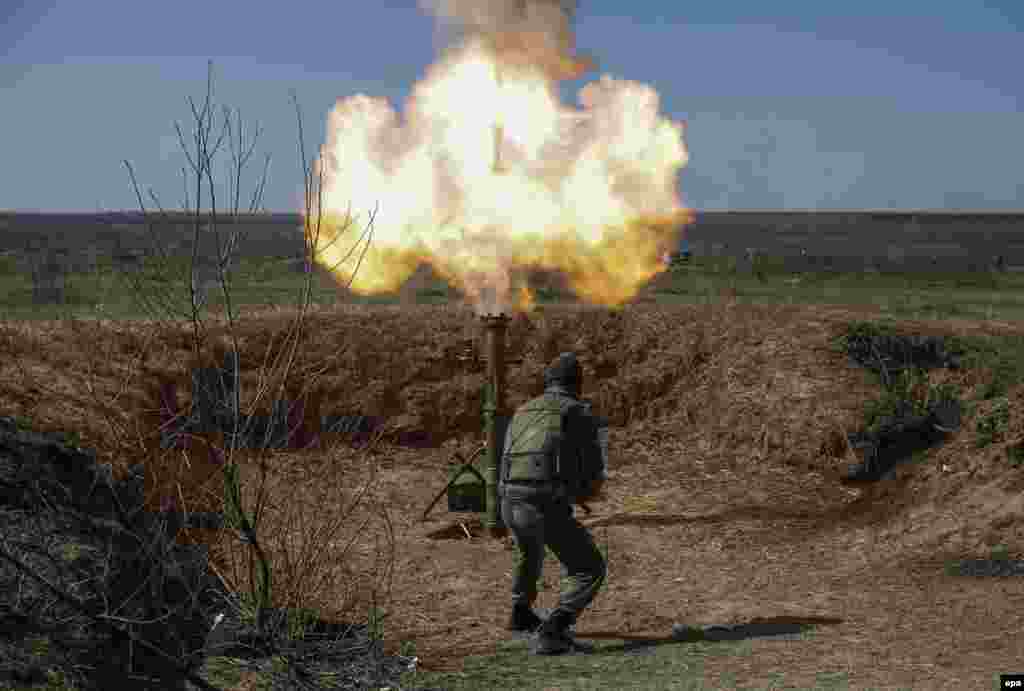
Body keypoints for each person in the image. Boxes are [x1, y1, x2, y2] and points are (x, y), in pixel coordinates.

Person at [499, 352, 608, 655]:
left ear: (548, 382)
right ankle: (554, 630)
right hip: (541, 504)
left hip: (508, 501)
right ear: (577, 384)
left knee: (529, 551)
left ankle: (520, 612)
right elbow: (593, 471)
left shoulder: (522, 411)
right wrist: (582, 493)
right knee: (589, 567)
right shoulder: (577, 412)